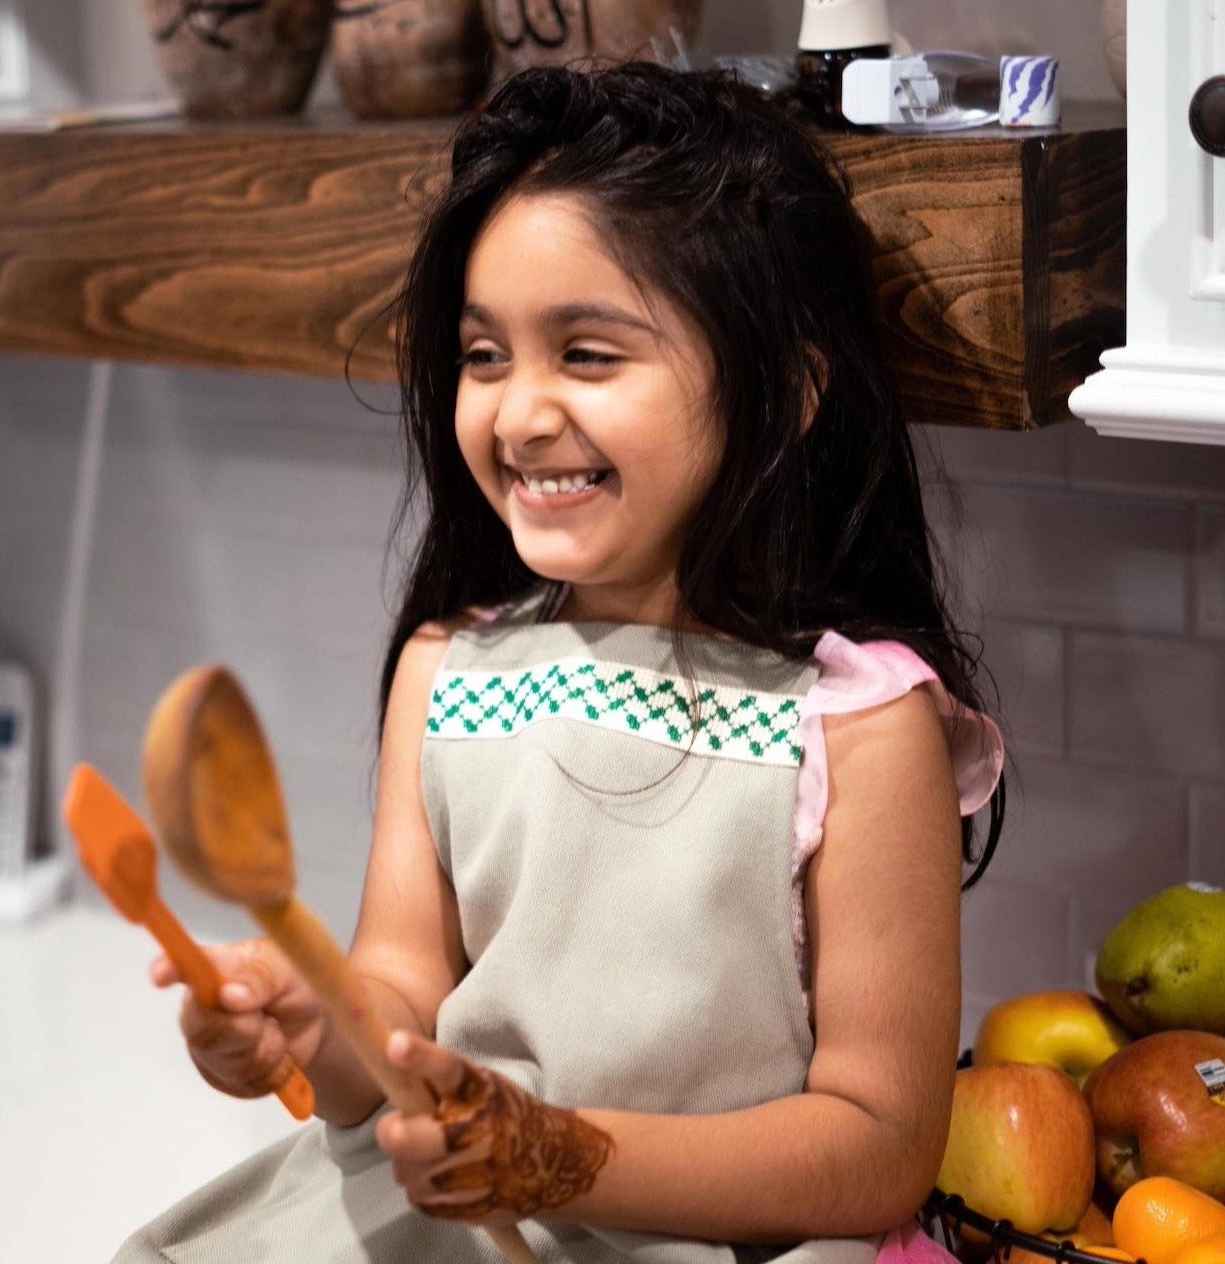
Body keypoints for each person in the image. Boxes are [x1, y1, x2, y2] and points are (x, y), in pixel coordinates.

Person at [115, 61, 1005, 1264]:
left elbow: (877, 1146)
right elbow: (397, 1003)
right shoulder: (448, 670)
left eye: (587, 354)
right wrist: (305, 1029)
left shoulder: (857, 724)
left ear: (783, 395)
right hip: (468, 1216)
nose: (519, 413)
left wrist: (570, 1154)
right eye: (486, 356)